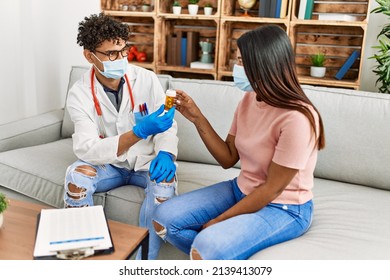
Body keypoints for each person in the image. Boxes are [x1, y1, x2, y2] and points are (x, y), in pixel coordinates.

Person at [152, 25, 326, 260]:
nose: (236, 68)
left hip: (284, 207)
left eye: (243, 62)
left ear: (263, 64)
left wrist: (218, 221)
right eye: (238, 60)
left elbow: (271, 189)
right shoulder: (249, 98)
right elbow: (227, 158)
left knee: (206, 246)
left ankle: (213, 253)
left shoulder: (297, 119)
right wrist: (196, 117)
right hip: (241, 189)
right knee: (163, 219)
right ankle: (220, 256)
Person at [64, 13, 178, 260]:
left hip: (146, 162)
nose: (121, 58)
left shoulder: (145, 79)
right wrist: (138, 131)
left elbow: (167, 125)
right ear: (89, 55)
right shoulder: (80, 93)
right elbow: (86, 148)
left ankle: (142, 266)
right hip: (110, 165)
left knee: (165, 185)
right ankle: (84, 254)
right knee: (76, 177)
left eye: (124, 50)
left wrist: (167, 153)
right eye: (111, 54)